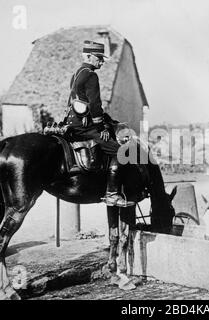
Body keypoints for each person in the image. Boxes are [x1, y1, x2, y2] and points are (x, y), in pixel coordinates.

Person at [65, 40, 134, 207]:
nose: (102, 62)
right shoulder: (90, 74)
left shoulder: (76, 74)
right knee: (121, 151)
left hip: (72, 123)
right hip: (86, 127)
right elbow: (95, 104)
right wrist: (101, 126)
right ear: (88, 56)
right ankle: (112, 194)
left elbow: (74, 101)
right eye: (99, 58)